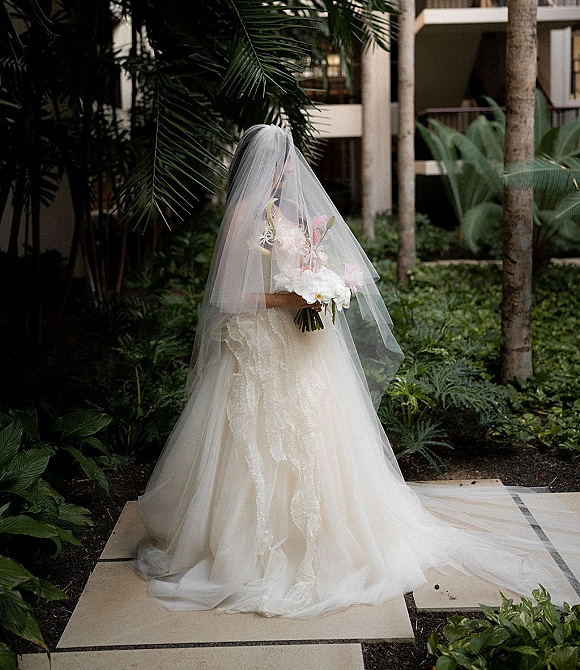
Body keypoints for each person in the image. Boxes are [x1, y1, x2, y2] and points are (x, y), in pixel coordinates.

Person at [131, 124, 579, 618]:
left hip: (299, 342)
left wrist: (320, 283)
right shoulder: (243, 215)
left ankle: (329, 532)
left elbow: (298, 264)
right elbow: (229, 296)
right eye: (280, 160)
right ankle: (245, 543)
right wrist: (291, 298)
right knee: (256, 442)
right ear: (259, 166)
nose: (285, 169)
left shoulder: (283, 214)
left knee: (320, 437)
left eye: (286, 161)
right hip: (261, 346)